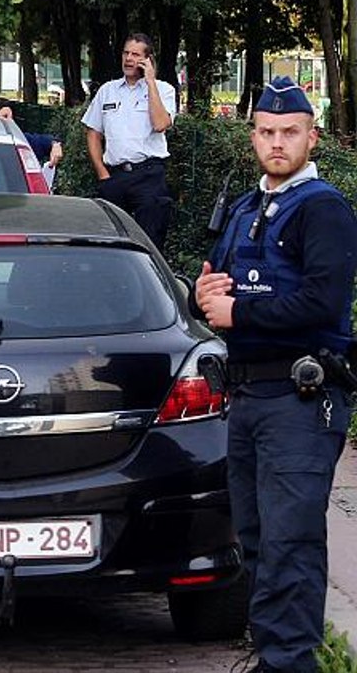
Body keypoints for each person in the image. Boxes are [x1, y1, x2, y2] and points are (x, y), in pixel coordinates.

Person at [194, 77, 357, 673]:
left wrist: (239, 313)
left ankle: (290, 662)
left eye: (290, 132)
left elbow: (322, 301)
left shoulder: (324, 208)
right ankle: (273, 657)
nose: (277, 142)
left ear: (313, 137)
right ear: (253, 137)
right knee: (258, 541)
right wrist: (200, 295)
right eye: (267, 132)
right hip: (247, 395)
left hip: (300, 398)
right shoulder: (244, 208)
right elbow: (215, 289)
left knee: (291, 542)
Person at [81, 32, 177, 250]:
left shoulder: (164, 90)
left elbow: (160, 124)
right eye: (126, 53)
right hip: (114, 177)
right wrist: (102, 174)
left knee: (149, 245)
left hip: (148, 176)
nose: (129, 59)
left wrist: (150, 82)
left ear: (148, 59)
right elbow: (93, 132)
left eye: (135, 54)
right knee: (111, 246)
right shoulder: (108, 90)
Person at [0, 98, 64, 167]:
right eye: (5, 116)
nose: (10, 121)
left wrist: (55, 144)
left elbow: (42, 141)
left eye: (11, 117)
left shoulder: (17, 140)